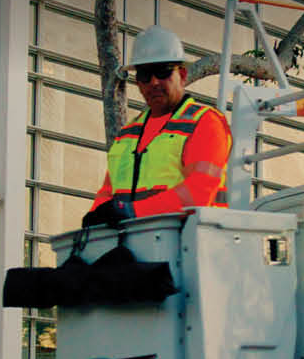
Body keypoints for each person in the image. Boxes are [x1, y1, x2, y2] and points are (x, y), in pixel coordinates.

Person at [89, 26, 232, 219]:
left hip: (195, 244)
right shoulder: (128, 133)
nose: (154, 82)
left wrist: (132, 211)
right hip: (136, 242)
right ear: (138, 82)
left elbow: (197, 192)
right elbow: (108, 191)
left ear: (181, 75)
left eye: (163, 72)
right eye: (145, 75)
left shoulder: (205, 123)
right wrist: (94, 218)